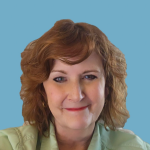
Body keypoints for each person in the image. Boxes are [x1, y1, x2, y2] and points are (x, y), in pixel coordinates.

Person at [0, 19, 149, 150]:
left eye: (89, 77)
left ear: (107, 87)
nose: (76, 95)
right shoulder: (8, 145)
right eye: (59, 79)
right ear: (42, 90)